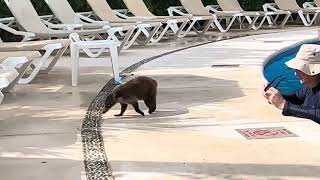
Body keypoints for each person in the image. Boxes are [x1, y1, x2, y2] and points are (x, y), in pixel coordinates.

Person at [263, 44, 320, 123]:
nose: (296, 74)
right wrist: (274, 96)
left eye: (300, 70)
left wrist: (284, 105)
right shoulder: (310, 86)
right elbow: (296, 98)